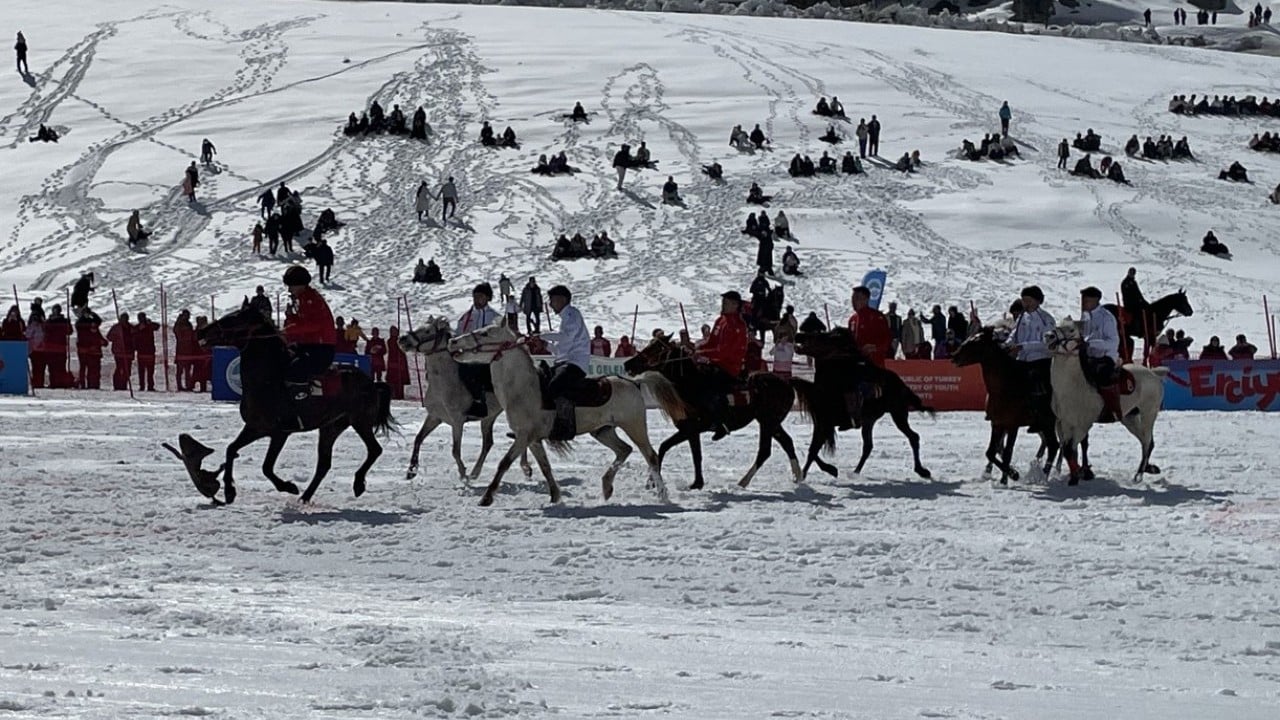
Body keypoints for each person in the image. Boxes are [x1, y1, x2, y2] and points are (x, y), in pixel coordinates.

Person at [538, 285, 591, 441]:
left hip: (575, 364)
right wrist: (544, 345)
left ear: (562, 300)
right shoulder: (566, 318)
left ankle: (565, 426)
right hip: (565, 362)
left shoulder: (572, 315)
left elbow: (565, 337)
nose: (551, 304)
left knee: (555, 386)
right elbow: (560, 350)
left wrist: (542, 336)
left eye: (552, 300)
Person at [696, 290, 750, 439]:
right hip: (716, 362)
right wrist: (697, 348)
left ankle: (723, 422)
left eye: (726, 302)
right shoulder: (720, 320)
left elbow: (724, 352)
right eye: (723, 302)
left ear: (735, 305)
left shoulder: (738, 325)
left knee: (712, 386)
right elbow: (712, 341)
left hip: (729, 367)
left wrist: (704, 354)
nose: (723, 305)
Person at [281, 265, 336, 400]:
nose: (289, 290)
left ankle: (303, 399)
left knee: (296, 369)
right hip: (309, 345)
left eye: (291, 286)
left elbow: (313, 325)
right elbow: (303, 324)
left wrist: (288, 330)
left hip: (321, 349)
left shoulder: (311, 299)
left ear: (300, 285)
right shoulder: (303, 299)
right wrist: (291, 318)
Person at [1006, 285, 1055, 418]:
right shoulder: (1022, 317)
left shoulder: (1046, 319)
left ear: (1038, 301)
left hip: (1040, 359)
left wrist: (1024, 347)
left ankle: (1041, 413)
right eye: (1023, 300)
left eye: (1029, 300)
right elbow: (1013, 335)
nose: (1026, 303)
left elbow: (1046, 343)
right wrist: (1007, 345)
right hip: (1022, 359)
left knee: (1037, 382)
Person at [457, 282, 499, 419]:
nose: (476, 300)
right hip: (468, 355)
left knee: (472, 372)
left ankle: (479, 403)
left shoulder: (494, 317)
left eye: (480, 296)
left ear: (487, 298)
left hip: (486, 357)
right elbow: (459, 334)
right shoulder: (466, 317)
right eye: (475, 296)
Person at [1080, 286, 1122, 419]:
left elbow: (1113, 342)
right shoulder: (1085, 317)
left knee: (1102, 375)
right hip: (1089, 356)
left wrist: (1091, 344)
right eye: (1083, 300)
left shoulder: (1107, 317)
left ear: (1096, 300)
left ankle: (1110, 409)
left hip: (1105, 357)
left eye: (1086, 300)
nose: (1083, 303)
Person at [75, 312, 107, 389]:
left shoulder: (85, 328)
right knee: (85, 369)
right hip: (85, 351)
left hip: (89, 352)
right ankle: (85, 384)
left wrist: (91, 314)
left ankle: (90, 384)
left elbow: (98, 321)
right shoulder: (82, 328)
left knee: (88, 369)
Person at [107, 312, 134, 391]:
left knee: (127, 370)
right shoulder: (116, 328)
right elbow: (109, 337)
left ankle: (124, 384)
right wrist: (117, 339)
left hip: (129, 352)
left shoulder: (131, 327)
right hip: (119, 352)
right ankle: (117, 385)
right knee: (119, 368)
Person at [133, 311, 159, 391]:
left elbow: (157, 326)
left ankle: (150, 385)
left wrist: (149, 323)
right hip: (142, 351)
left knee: (150, 370)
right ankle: (143, 385)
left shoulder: (149, 326)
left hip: (149, 351)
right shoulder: (137, 328)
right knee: (142, 371)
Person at [172, 309, 196, 391]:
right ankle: (179, 386)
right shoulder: (179, 324)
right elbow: (176, 332)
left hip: (188, 350)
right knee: (180, 370)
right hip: (181, 350)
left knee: (187, 370)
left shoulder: (189, 324)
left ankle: (188, 385)